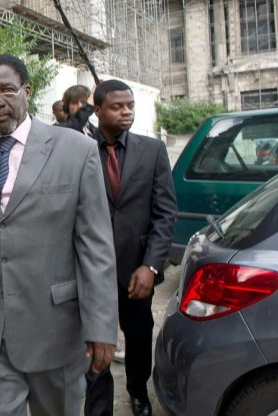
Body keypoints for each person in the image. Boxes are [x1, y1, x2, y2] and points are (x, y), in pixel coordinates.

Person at [0, 54, 118, 416]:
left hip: (54, 328)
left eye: (7, 90)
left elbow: (95, 247)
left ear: (28, 91)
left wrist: (102, 325)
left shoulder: (76, 151)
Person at [91, 80, 177, 416]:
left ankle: (138, 392)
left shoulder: (152, 151)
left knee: (139, 337)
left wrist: (151, 266)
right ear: (98, 111)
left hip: (136, 271)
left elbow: (165, 212)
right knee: (94, 340)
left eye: (130, 105)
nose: (126, 112)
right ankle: (98, 406)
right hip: (92, 270)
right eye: (117, 106)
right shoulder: (80, 151)